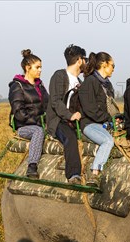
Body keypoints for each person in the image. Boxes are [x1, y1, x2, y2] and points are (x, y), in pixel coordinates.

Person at [46, 44, 87, 185]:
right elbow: (55, 101)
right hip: (59, 121)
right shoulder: (59, 76)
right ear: (80, 60)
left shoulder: (81, 82)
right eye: (85, 59)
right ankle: (73, 175)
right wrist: (69, 115)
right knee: (70, 138)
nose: (86, 62)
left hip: (75, 122)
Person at [77, 52, 116, 187]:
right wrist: (108, 119)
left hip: (103, 123)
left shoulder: (107, 85)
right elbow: (90, 110)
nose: (113, 68)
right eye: (112, 65)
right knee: (107, 141)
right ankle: (95, 174)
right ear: (104, 64)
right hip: (89, 124)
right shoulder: (90, 82)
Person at [8, 49, 49, 178]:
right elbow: (19, 112)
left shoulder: (40, 85)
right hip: (24, 126)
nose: (40, 70)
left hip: (41, 123)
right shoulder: (17, 86)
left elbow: (48, 105)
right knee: (38, 131)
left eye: (41, 67)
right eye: (37, 67)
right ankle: (32, 166)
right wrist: (38, 122)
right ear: (27, 68)